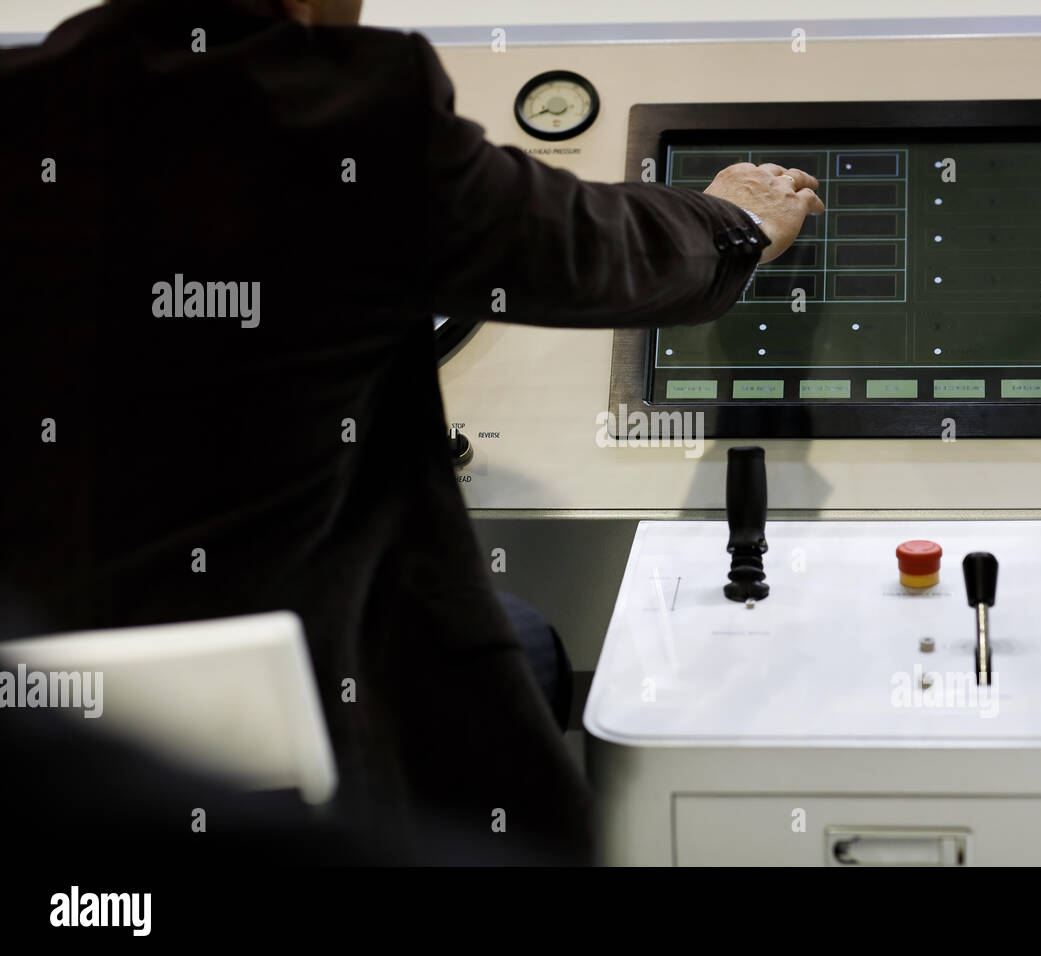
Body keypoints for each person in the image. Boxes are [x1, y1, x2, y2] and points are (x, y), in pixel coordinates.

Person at [0, 0, 822, 862]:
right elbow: (587, 243)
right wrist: (736, 221)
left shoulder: (26, 98)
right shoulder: (346, 106)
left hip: (40, 701)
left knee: (529, 640)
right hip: (281, 699)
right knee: (498, 675)